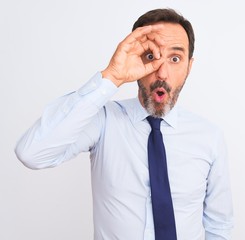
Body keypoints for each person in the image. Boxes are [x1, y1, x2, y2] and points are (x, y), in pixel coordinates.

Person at [15, 8, 233, 240]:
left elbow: (219, 226)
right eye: (151, 56)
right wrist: (112, 76)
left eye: (175, 58)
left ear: (189, 66)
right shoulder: (102, 121)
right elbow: (32, 153)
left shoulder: (209, 137)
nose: (162, 72)